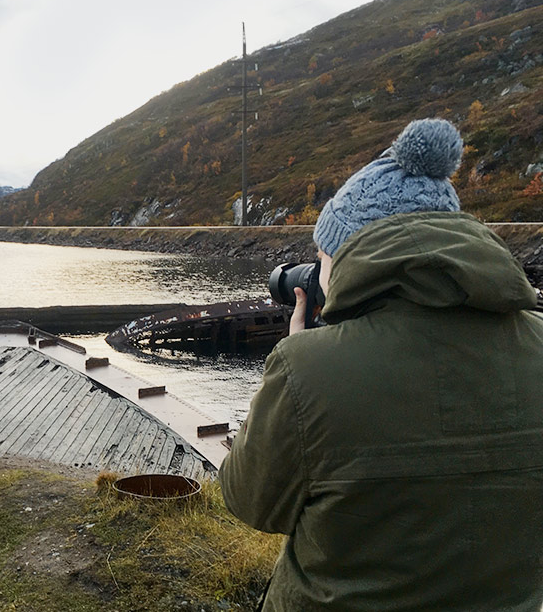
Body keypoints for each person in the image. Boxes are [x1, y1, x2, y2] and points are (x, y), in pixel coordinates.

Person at [219, 118, 543, 611]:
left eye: (323, 257)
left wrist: (296, 363)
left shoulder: (307, 370)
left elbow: (250, 500)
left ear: (356, 259)